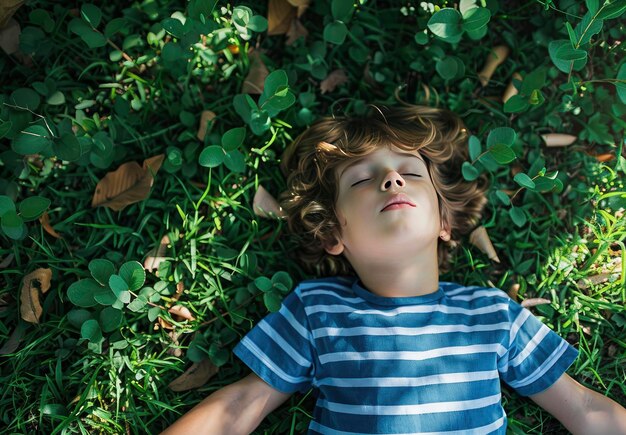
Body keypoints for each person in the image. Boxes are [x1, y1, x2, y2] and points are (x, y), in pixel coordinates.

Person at [162, 105, 626, 434]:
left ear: (445, 222)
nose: (392, 178)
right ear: (333, 235)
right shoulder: (317, 310)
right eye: (362, 179)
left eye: (411, 172)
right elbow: (241, 405)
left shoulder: (491, 314)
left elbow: (584, 408)